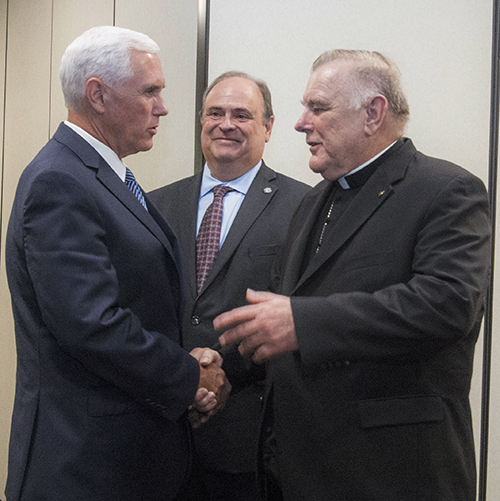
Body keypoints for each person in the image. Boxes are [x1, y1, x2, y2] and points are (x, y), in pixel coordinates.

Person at [214, 50, 491, 501]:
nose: (301, 123)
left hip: (391, 474)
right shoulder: (311, 201)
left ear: (373, 113)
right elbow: (279, 322)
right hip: (297, 472)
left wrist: (303, 323)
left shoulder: (447, 191)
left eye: (318, 108)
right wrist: (216, 370)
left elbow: (446, 304)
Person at [5, 26, 230, 501]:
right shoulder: (61, 181)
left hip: (122, 460)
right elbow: (91, 323)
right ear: (98, 95)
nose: (164, 108)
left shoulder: (101, 175)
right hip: (85, 466)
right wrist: (190, 376)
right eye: (150, 91)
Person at [149, 71, 310, 500]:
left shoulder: (304, 207)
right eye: (215, 113)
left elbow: (302, 314)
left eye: (242, 115)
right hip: (158, 433)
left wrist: (217, 373)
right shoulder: (154, 203)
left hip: (248, 442)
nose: (226, 124)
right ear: (201, 121)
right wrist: (180, 375)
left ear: (269, 127)